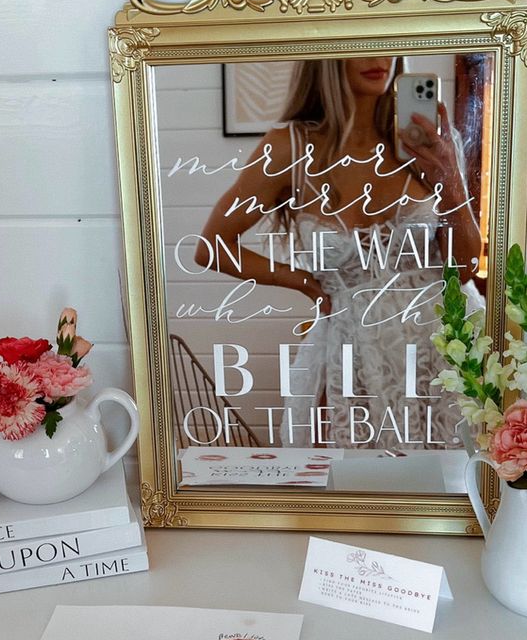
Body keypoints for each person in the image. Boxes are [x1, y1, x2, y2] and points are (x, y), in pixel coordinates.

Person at [194, 57, 484, 449]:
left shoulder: (430, 141)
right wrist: (303, 282)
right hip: (352, 351)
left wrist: (450, 178)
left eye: (387, 45)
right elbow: (213, 245)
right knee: (352, 487)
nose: (379, 59)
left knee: (449, 490)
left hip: (442, 347)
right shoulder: (289, 148)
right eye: (362, 44)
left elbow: (463, 267)